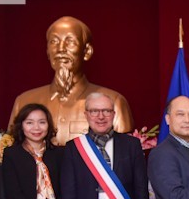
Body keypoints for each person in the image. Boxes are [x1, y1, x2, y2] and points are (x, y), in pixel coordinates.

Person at [9, 16, 134, 145]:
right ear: (47, 51)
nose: (61, 49)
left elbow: (123, 156)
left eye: (70, 42)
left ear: (87, 51)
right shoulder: (24, 101)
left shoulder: (114, 102)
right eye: (54, 41)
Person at [61, 92, 149, 199]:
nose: (101, 116)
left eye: (106, 111)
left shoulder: (131, 145)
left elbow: (141, 191)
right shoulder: (74, 149)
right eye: (94, 111)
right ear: (86, 114)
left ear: (113, 114)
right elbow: (68, 195)